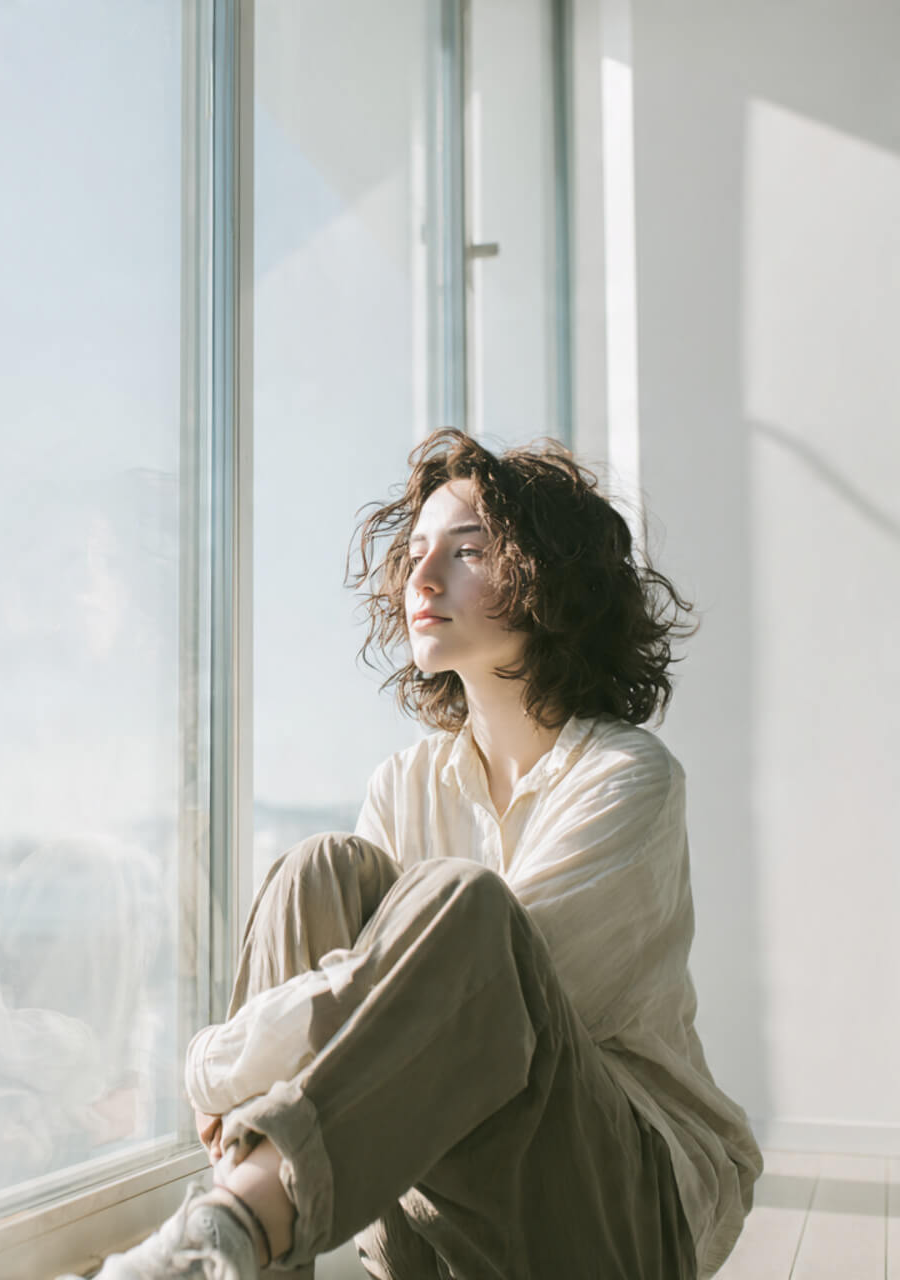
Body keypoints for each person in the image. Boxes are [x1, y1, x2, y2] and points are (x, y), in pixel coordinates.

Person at [61, 429, 763, 1280]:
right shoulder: (405, 782)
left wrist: (212, 1062)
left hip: (614, 1219)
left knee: (467, 906)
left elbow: (483, 1009)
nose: (422, 580)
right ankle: (237, 1254)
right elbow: (371, 1012)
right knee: (319, 868)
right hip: (429, 1226)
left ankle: (225, 1232)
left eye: (467, 552)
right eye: (416, 554)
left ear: (550, 579)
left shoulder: (629, 779)